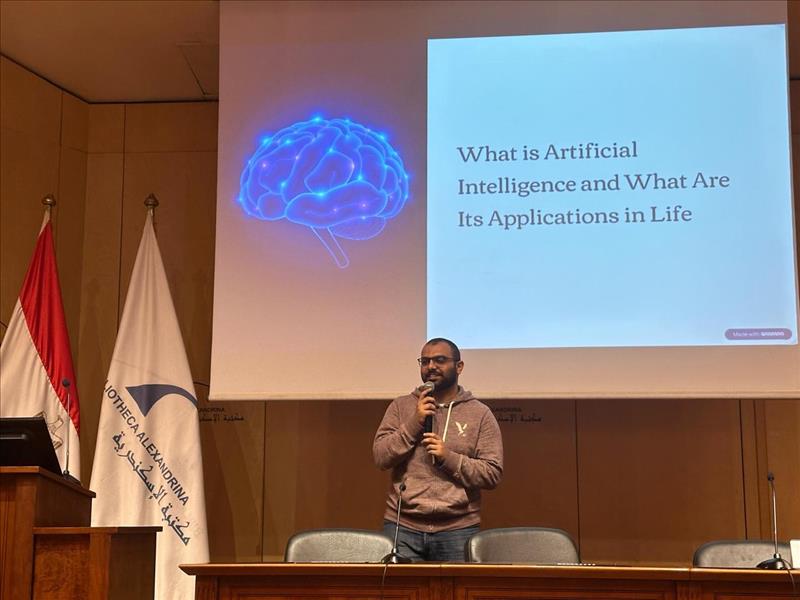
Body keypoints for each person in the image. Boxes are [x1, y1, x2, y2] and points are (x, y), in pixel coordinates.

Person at [373, 337, 503, 562]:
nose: (431, 366)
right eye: (425, 361)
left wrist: (448, 458)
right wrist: (415, 422)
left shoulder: (480, 413)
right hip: (402, 527)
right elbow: (380, 457)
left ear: (459, 366)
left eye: (440, 360)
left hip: (458, 528)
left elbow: (492, 473)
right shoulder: (400, 407)